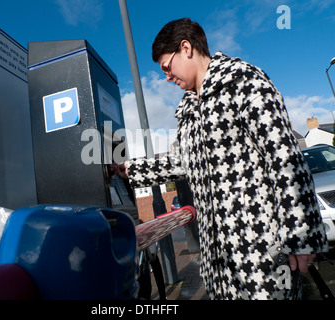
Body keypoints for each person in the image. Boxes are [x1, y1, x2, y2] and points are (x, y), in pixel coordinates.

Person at [115, 17, 328, 299]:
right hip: (220, 261)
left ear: (186, 48)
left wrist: (301, 233)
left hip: (262, 253)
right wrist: (128, 169)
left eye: (166, 66)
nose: (166, 76)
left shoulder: (242, 80)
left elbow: (284, 156)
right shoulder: (188, 109)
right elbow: (181, 161)